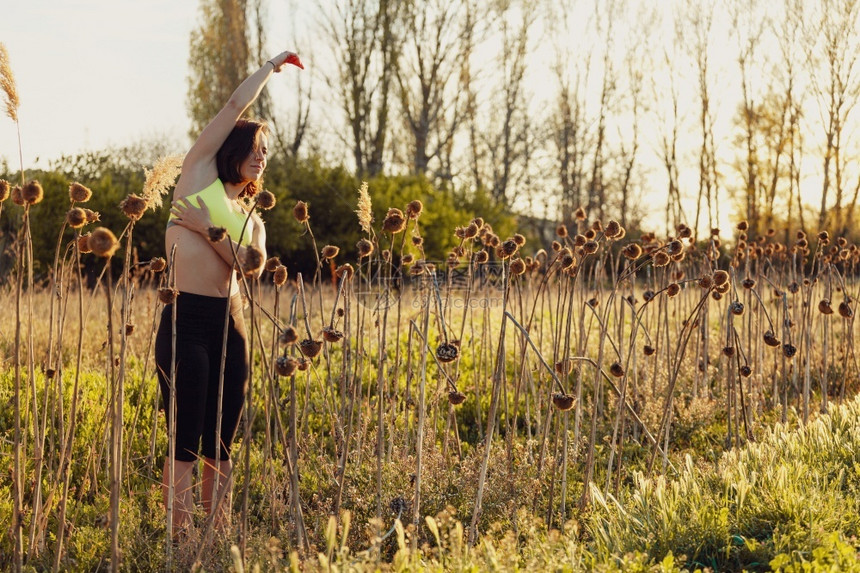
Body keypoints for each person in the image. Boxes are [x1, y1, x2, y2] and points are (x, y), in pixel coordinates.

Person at [154, 50, 303, 535]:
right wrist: (270, 68)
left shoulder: (252, 220)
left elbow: (253, 265)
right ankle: (179, 536)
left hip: (231, 327)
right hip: (186, 321)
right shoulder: (197, 176)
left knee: (222, 438)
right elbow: (234, 105)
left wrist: (209, 230)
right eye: (257, 146)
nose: (263, 156)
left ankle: (212, 538)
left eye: (267, 151)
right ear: (232, 147)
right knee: (185, 436)